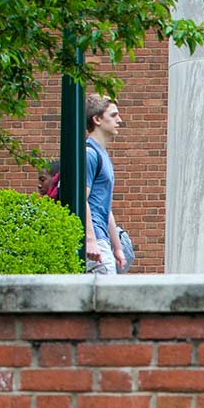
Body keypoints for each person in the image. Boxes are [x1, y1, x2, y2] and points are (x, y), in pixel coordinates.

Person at [83, 95, 126, 275]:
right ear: (97, 119)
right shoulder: (90, 154)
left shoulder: (102, 155)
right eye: (113, 115)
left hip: (102, 239)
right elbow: (81, 198)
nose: (120, 120)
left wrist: (117, 247)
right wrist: (91, 240)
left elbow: (104, 207)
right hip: (95, 242)